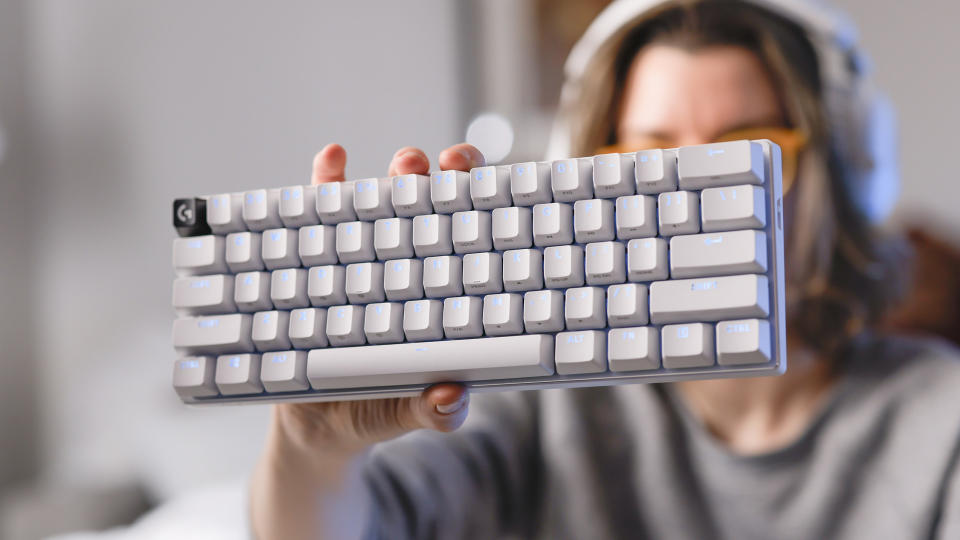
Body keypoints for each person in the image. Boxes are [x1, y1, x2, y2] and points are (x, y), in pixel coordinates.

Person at [250, 1, 960, 538]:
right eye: (649, 159)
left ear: (841, 176)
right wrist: (313, 452)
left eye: (748, 150)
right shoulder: (539, 405)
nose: (693, 197)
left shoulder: (939, 417)